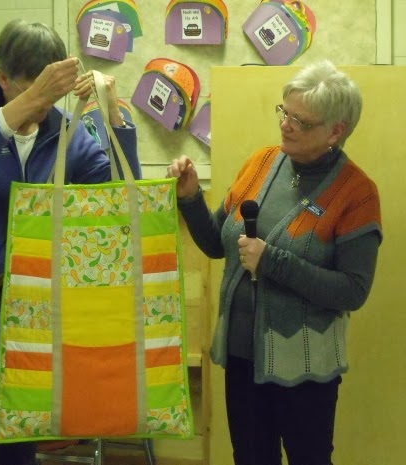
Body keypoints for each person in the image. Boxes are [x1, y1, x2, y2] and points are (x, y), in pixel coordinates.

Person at [0, 18, 141, 465]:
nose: (46, 105)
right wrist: (32, 100)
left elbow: (123, 198)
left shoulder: (64, 132)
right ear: (3, 79)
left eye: (52, 93)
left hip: (19, 303)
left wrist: (114, 115)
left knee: (13, 434)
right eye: (35, 89)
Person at [167, 60, 382, 465]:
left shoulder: (357, 194)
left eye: (301, 121)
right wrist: (191, 198)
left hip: (305, 369)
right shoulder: (261, 163)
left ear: (335, 131)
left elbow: (353, 291)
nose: (286, 125)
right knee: (250, 457)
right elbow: (217, 244)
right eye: (285, 112)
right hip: (241, 356)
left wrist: (272, 262)